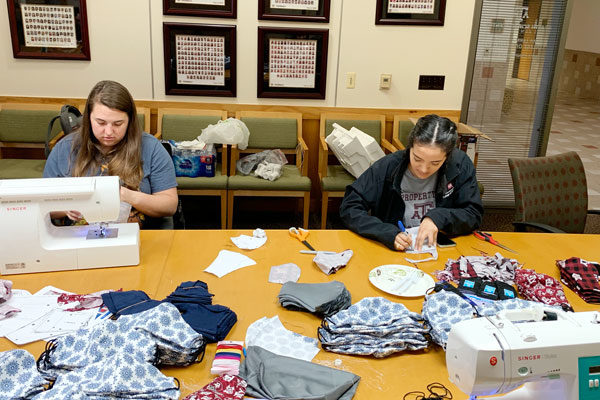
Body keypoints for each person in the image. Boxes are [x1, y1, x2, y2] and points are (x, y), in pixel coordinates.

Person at [44, 80, 178, 228]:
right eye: (101, 123)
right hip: (78, 239)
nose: (108, 132)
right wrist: (65, 208)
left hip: (140, 238)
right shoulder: (65, 148)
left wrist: (128, 196)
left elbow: (169, 205)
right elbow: (43, 205)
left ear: (130, 121)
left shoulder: (151, 147)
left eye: (118, 124)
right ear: (88, 118)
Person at [339, 114, 483, 251]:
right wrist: (385, 232)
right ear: (410, 147)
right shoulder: (388, 166)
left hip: (441, 247)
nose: (424, 169)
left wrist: (437, 218)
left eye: (435, 163)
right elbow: (350, 207)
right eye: (417, 159)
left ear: (448, 157)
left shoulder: (460, 165)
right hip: (395, 248)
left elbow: (473, 213)